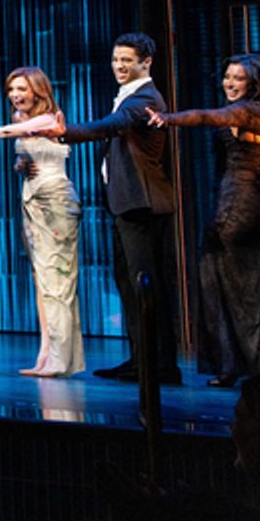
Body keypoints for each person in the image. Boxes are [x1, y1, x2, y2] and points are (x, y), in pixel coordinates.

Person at [147, 54, 260, 386]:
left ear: (254, 83)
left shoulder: (248, 110)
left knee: (222, 285)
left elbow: (205, 116)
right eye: (227, 76)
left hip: (237, 208)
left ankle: (239, 367)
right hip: (256, 205)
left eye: (238, 78)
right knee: (254, 289)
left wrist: (168, 119)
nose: (229, 83)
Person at [51, 31, 180, 383]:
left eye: (127, 60)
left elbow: (111, 126)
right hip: (127, 203)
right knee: (128, 283)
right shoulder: (130, 95)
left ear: (146, 62)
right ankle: (142, 360)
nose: (119, 66)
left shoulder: (145, 99)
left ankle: (160, 366)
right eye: (115, 59)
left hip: (143, 204)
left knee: (145, 285)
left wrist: (66, 131)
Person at [0, 67, 84, 376]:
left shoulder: (50, 118)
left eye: (21, 89)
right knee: (41, 281)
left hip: (55, 201)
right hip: (31, 199)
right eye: (11, 90)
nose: (15, 95)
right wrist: (21, 164)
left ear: (38, 91)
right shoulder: (24, 120)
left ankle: (63, 359)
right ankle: (46, 353)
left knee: (57, 281)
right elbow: (34, 152)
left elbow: (11, 133)